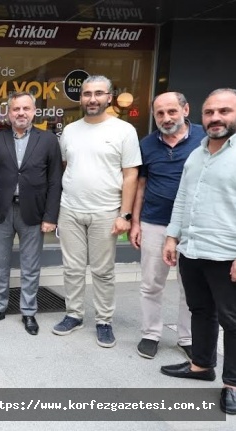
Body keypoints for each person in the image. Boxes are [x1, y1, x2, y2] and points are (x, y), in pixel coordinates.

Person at [160, 88, 236, 415]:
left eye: (224, 111)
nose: (215, 118)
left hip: (226, 254)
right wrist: (171, 237)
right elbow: (182, 199)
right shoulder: (197, 153)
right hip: (192, 250)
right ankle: (201, 365)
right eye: (209, 112)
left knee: (232, 320)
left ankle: (232, 384)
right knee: (200, 310)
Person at [52, 75, 141, 348]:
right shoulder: (70, 131)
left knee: (103, 271)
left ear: (109, 97)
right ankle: (74, 314)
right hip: (70, 209)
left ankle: (104, 320)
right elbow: (66, 166)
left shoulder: (124, 131)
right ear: (81, 98)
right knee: (72, 268)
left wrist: (124, 215)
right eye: (87, 94)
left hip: (106, 212)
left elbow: (131, 175)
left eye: (98, 93)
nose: (92, 99)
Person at [0, 92, 62, 335]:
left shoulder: (47, 141)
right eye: (16, 109)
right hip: (2, 211)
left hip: (34, 212)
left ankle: (28, 312)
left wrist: (50, 217)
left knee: (30, 265)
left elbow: (55, 181)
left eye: (26, 108)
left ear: (34, 112)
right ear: (9, 113)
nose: (21, 113)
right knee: (0, 264)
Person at [130, 92, 204, 360]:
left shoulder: (206, 139)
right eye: (160, 113)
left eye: (172, 111)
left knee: (192, 286)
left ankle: (187, 337)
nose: (166, 118)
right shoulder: (147, 144)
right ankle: (150, 333)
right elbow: (141, 185)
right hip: (155, 222)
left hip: (195, 226)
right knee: (151, 283)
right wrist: (135, 223)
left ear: (186, 109)